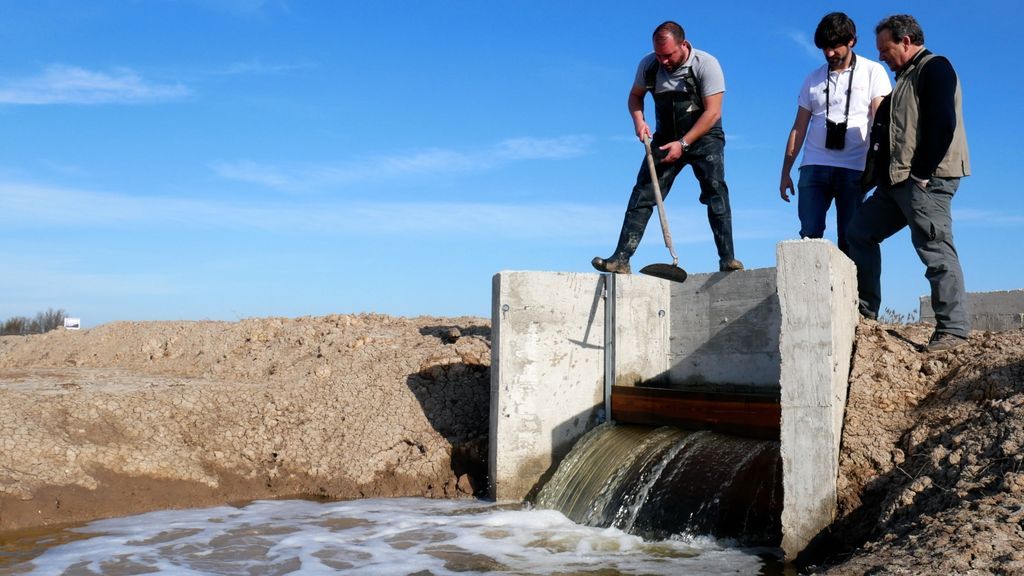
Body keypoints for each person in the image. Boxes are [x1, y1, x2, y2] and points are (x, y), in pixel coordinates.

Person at [846, 14, 971, 352]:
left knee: (935, 248)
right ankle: (865, 313)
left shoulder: (935, 67)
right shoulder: (902, 80)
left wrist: (921, 173)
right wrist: (870, 181)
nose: (882, 56)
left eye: (885, 49)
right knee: (859, 231)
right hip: (896, 184)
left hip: (926, 181)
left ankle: (953, 330)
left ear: (905, 41)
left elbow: (943, 124)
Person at [593, 21, 742, 275]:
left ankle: (727, 259)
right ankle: (621, 258)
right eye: (659, 55)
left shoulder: (706, 64)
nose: (663, 61)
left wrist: (683, 144)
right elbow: (635, 96)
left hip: (704, 135)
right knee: (643, 194)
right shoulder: (649, 65)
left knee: (715, 191)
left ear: (683, 45)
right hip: (665, 136)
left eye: (669, 55)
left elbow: (713, 112)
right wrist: (639, 121)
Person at [778, 12, 891, 255]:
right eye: (824, 49)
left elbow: (881, 122)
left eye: (834, 47)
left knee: (850, 238)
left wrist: (881, 168)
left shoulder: (873, 71)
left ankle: (854, 293)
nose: (829, 54)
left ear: (852, 41)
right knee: (809, 235)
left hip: (855, 168)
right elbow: (799, 127)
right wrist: (785, 171)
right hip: (814, 166)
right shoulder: (813, 78)